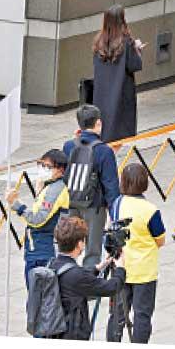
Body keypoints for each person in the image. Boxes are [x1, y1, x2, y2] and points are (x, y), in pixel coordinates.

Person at [105, 163, 165, 343]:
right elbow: (160, 240)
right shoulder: (151, 210)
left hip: (121, 267)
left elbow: (110, 229)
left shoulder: (117, 204)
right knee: (142, 315)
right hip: (145, 271)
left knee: (117, 315)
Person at [62, 104, 121, 269]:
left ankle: (68, 285)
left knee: (68, 247)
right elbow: (111, 186)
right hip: (94, 207)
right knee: (92, 252)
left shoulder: (68, 146)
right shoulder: (104, 151)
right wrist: (115, 215)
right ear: (99, 123)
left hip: (71, 203)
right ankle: (91, 292)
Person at [8, 149, 70, 285]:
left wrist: (17, 205)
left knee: (39, 297)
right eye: (41, 165)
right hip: (36, 249)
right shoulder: (49, 186)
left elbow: (38, 219)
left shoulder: (55, 190)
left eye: (48, 167)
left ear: (60, 170)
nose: (43, 169)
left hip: (44, 252)